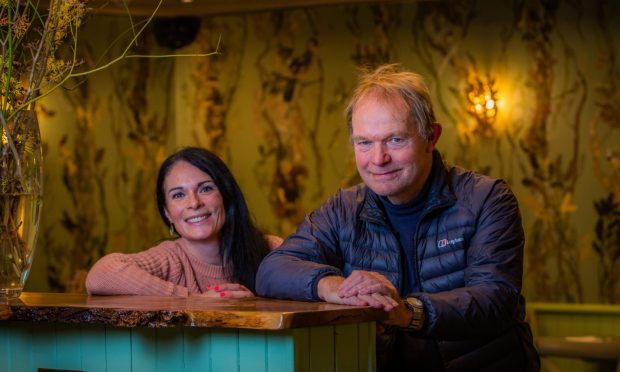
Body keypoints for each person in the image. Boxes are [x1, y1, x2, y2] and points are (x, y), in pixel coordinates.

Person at [256, 64, 540, 371]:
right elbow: (272, 269)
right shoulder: (342, 209)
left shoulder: (487, 198)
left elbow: (494, 300)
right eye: (364, 142)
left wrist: (406, 311)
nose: (378, 159)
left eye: (395, 140)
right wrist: (335, 287)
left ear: (431, 137)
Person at [86, 147, 282, 298]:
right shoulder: (170, 259)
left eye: (205, 189)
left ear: (226, 196)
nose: (194, 203)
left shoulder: (269, 248)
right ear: (168, 213)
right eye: (178, 195)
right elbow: (100, 275)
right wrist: (192, 300)